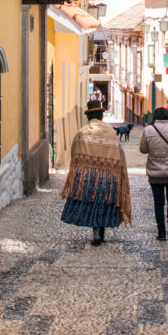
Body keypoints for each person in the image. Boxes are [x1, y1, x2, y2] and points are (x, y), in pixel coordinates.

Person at [60, 99, 132, 246]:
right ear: (101, 116)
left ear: (89, 117)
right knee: (104, 203)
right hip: (109, 177)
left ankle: (96, 234)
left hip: (88, 177)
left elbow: (75, 155)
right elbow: (120, 154)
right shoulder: (111, 133)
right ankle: (101, 232)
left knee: (92, 202)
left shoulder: (82, 133)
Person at [139, 106, 168, 241]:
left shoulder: (148, 130)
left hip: (155, 173)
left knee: (158, 203)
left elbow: (143, 149)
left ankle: (161, 232)